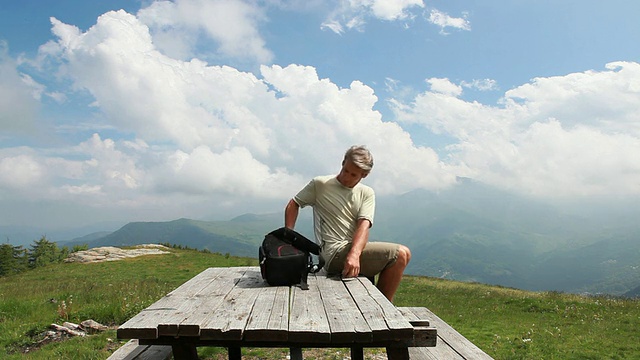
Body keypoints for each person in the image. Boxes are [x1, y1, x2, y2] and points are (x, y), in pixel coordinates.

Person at [284, 145, 411, 302]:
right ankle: (385, 310)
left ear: (364, 175)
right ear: (343, 162)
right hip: (332, 253)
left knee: (402, 254)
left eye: (353, 175)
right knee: (401, 255)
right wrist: (288, 235)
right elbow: (294, 203)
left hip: (351, 251)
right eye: (346, 170)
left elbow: (364, 225)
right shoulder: (320, 184)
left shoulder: (367, 193)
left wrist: (354, 254)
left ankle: (381, 307)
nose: (346, 177)